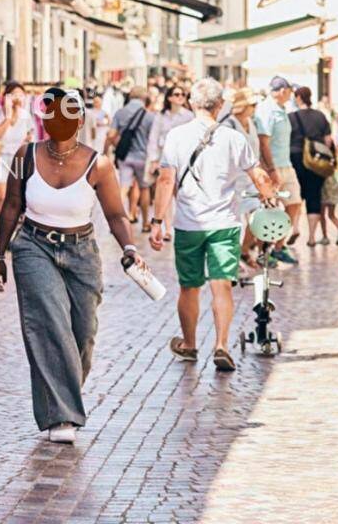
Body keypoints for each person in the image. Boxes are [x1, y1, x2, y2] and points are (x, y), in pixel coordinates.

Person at [0, 87, 145, 444]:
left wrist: (129, 247)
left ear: (79, 122)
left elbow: (116, 215)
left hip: (81, 252)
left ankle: (62, 393)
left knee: (83, 332)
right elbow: (12, 206)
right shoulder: (26, 155)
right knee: (50, 325)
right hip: (34, 246)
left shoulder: (99, 164)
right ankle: (62, 416)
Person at [150, 78, 277, 372]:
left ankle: (190, 344)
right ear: (220, 105)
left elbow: (166, 180)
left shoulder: (177, 136)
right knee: (222, 287)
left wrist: (157, 221)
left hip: (188, 224)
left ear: (192, 103)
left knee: (189, 287)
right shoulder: (234, 138)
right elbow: (258, 175)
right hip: (224, 224)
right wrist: (269, 197)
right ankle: (221, 345)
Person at [255, 77, 301, 264]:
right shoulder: (266, 109)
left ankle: (279, 247)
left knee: (294, 202)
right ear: (282, 91)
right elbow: (263, 141)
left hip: (286, 165)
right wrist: (271, 169)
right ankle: (263, 253)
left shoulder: (282, 109)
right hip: (272, 167)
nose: (292, 95)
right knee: (268, 210)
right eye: (290, 91)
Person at [145, 85, 193, 240]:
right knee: (165, 192)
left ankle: (181, 225)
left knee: (181, 194)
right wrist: (153, 159)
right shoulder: (161, 116)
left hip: (183, 160)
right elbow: (153, 138)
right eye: (177, 94)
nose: (181, 97)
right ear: (170, 97)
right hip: (164, 158)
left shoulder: (189, 116)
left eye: (183, 94)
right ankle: (168, 229)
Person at [289, 86, 334, 247]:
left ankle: (295, 228)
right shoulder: (320, 116)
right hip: (316, 161)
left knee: (296, 196)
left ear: (299, 98)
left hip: (296, 158)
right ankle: (312, 237)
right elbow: (328, 140)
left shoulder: (291, 117)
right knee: (314, 197)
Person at [105, 86, 155, 230]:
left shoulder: (120, 113)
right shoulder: (149, 115)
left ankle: (118, 222)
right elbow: (153, 139)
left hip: (125, 157)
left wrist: (116, 146)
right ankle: (145, 223)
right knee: (144, 189)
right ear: (144, 98)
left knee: (124, 188)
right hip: (143, 158)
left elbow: (111, 134)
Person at [223, 88, 262, 267]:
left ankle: (244, 250)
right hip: (234, 181)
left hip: (250, 179)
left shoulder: (251, 123)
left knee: (258, 215)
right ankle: (233, 258)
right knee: (234, 221)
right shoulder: (228, 124)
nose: (254, 107)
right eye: (252, 104)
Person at [0, 80, 32, 205]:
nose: (17, 98)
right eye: (14, 94)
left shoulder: (25, 115)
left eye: (21, 95)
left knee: (15, 197)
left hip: (17, 161)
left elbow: (29, 134)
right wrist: (8, 116)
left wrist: (27, 140)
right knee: (2, 196)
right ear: (6, 97)